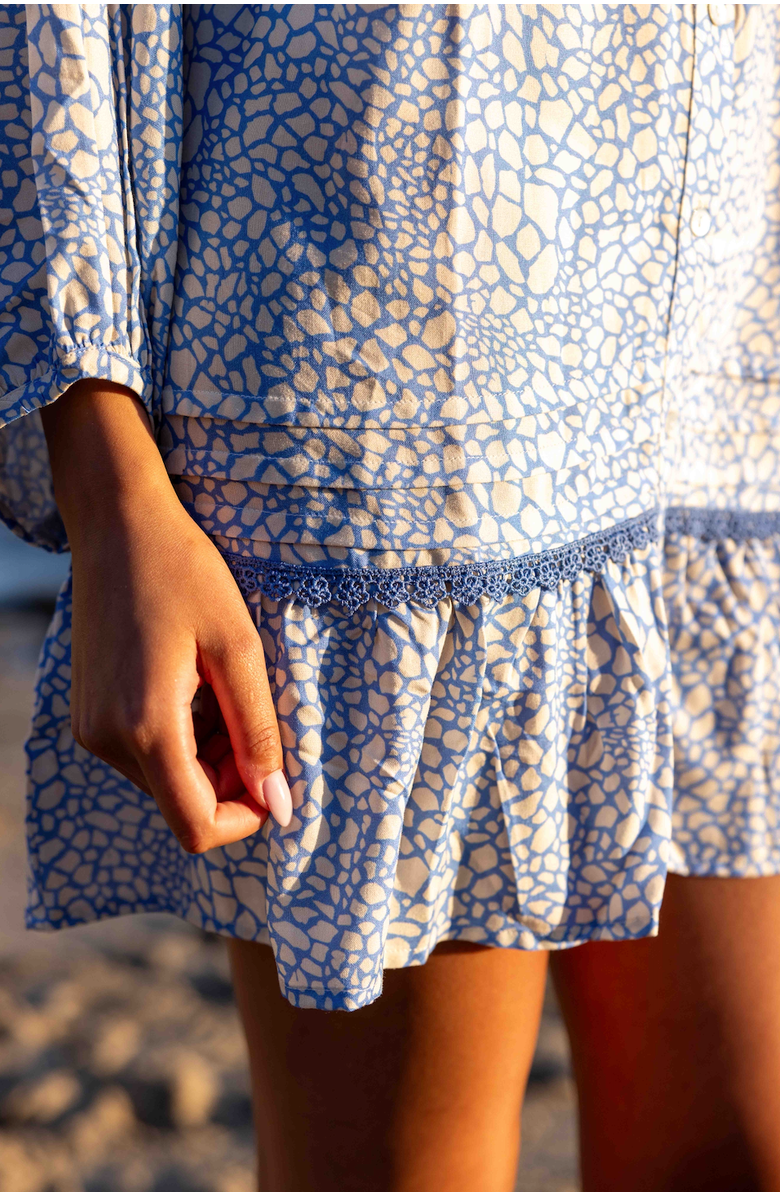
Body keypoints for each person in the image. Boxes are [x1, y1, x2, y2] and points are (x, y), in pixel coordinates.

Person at [2, 2, 780, 1189]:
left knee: (732, 1150)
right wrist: (110, 488)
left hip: (731, 312)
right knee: (401, 1171)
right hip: (398, 358)